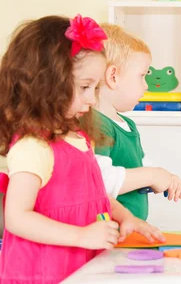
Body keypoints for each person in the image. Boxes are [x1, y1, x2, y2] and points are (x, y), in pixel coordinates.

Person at [0, 15, 164, 284]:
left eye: (95, 87)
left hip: (79, 264)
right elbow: (17, 218)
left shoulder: (79, 138)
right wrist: (80, 236)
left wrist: (127, 218)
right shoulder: (34, 147)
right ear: (46, 84)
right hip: (42, 270)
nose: (92, 98)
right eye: (84, 87)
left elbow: (96, 195)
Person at [83, 23, 181, 221]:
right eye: (142, 76)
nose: (146, 85)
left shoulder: (126, 124)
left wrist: (166, 178)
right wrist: (152, 176)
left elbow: (139, 164)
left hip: (128, 231)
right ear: (113, 76)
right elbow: (98, 180)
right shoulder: (95, 124)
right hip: (106, 232)